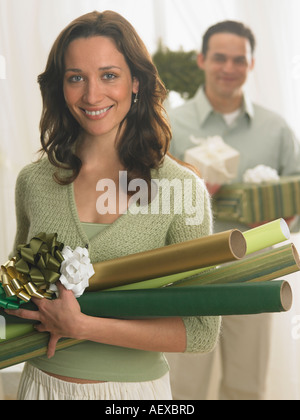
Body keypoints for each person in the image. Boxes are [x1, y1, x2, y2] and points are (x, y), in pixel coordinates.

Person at [4, 11, 220, 401]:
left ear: (135, 81)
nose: (91, 95)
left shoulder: (180, 189)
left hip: (134, 395)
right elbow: (19, 292)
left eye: (108, 75)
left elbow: (202, 330)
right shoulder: (33, 182)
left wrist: (84, 326)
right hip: (40, 387)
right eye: (76, 78)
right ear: (60, 86)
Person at [166, 20, 300, 400]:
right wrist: (189, 193)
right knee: (184, 388)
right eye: (220, 58)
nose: (229, 68)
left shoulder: (275, 130)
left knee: (246, 385)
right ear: (202, 60)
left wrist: (283, 219)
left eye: (239, 60)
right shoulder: (171, 125)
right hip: (188, 277)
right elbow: (143, 198)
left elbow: (297, 198)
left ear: (251, 64)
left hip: (255, 273)